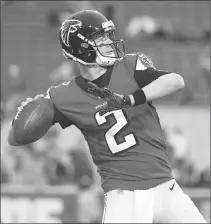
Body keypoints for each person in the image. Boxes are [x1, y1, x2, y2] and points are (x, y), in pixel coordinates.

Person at [8, 10, 206, 223]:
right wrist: (24, 116)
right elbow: (18, 135)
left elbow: (175, 81)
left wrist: (128, 100)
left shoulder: (130, 66)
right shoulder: (63, 96)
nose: (109, 42)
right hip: (125, 196)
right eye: (100, 38)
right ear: (82, 48)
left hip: (166, 187)